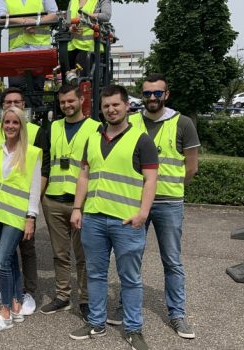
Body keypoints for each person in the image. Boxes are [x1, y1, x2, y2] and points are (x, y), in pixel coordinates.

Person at [68, 85, 158, 350]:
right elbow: (84, 176)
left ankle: (133, 329)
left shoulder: (142, 140)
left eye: (116, 105)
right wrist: (77, 208)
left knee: (130, 278)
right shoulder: (93, 139)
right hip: (94, 219)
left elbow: (151, 180)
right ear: (101, 108)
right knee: (95, 275)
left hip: (126, 222)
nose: (111, 109)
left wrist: (143, 213)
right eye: (106, 106)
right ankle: (96, 322)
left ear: (127, 106)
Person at [124, 73, 199, 339]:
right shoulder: (130, 121)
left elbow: (191, 167)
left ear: (166, 94)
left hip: (169, 203)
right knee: (130, 257)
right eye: (147, 94)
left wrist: (173, 187)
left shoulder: (183, 123)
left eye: (158, 93)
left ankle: (177, 313)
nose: (152, 98)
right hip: (135, 202)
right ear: (141, 95)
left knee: (172, 261)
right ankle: (127, 305)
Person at [37, 84, 101, 318]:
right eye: (63, 102)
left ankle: (84, 299)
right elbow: (44, 161)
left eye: (71, 101)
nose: (66, 105)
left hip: (81, 202)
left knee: (83, 255)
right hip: (53, 200)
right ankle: (62, 296)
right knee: (59, 253)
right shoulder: (53, 127)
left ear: (81, 100)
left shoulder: (96, 128)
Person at [0, 88, 41, 315]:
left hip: (16, 216)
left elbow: (34, 189)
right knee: (11, 261)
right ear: (2, 125)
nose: (11, 126)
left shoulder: (32, 152)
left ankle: (5, 311)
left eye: (15, 123)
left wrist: (31, 218)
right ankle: (16, 302)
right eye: (7, 122)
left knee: (2, 261)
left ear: (22, 125)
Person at [0, 0, 58, 108]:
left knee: (37, 88)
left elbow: (55, 15)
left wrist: (35, 23)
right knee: (16, 88)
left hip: (40, 48)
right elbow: (0, 17)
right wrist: (23, 21)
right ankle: (18, 117)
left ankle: (35, 118)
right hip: (17, 50)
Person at [65, 0, 112, 80]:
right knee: (70, 82)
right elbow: (67, 20)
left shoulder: (101, 1)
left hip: (91, 47)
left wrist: (88, 16)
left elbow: (106, 16)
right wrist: (70, 28)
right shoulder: (72, 1)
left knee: (84, 82)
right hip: (71, 47)